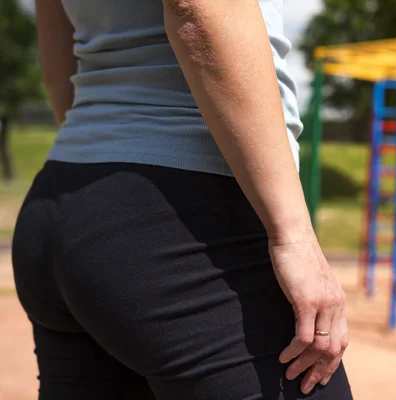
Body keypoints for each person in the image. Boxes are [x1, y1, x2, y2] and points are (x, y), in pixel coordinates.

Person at [11, 0, 352, 399]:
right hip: (184, 214)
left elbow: (56, 34)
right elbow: (200, 7)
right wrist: (293, 237)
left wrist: (101, 196)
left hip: (67, 192)